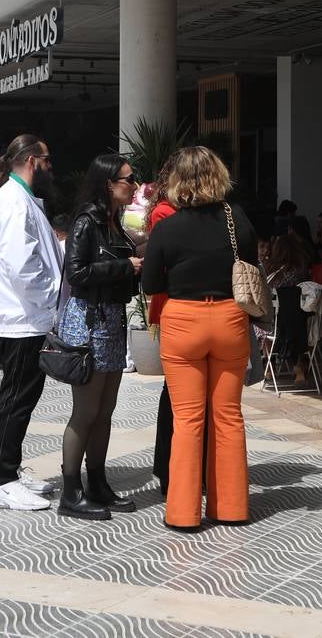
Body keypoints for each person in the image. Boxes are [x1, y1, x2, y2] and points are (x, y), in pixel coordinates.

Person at [142, 146, 256, 531]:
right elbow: (251, 266)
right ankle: (232, 507)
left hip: (184, 321)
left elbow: (151, 283)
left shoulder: (168, 226)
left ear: (178, 180)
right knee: (228, 416)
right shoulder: (235, 218)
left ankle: (183, 514)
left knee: (188, 419)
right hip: (229, 318)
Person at [56, 154, 141, 520]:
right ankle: (71, 491)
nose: (134, 185)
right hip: (89, 321)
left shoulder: (115, 223)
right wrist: (125, 265)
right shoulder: (87, 220)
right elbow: (75, 273)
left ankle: (98, 482)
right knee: (87, 410)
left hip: (112, 320)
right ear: (109, 183)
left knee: (105, 410)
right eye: (128, 179)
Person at [0, 134, 63, 511]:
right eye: (47, 160)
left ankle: (9, 467)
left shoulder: (20, 198)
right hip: (24, 317)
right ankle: (3, 479)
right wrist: (52, 297)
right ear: (32, 160)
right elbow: (22, 266)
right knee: (16, 398)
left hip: (28, 315)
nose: (50, 167)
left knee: (21, 398)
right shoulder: (14, 201)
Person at [144, 159, 178, 496]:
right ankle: (167, 466)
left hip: (184, 308)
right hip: (172, 306)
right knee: (175, 390)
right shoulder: (165, 214)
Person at [256, 233, 313, 386]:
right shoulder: (302, 273)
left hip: (275, 327)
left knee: (263, 320)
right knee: (296, 323)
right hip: (302, 328)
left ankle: (269, 364)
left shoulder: (269, 271)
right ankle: (299, 364)